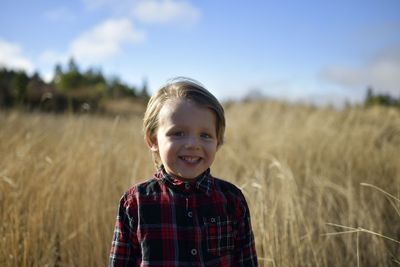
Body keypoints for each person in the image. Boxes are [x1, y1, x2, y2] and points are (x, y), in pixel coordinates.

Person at [109, 78, 258, 267]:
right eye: (178, 133)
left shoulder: (232, 200)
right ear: (152, 140)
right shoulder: (135, 202)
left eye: (205, 135)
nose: (192, 144)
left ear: (218, 143)